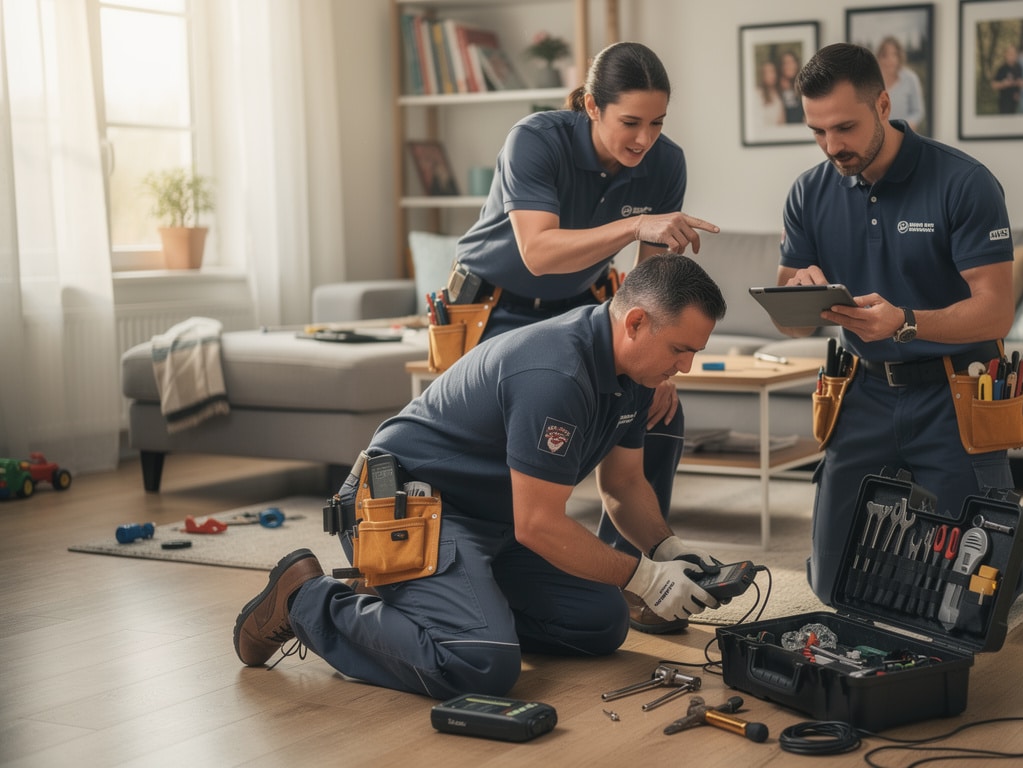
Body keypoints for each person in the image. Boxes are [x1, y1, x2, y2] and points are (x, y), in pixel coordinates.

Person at [233, 254, 736, 699]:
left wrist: (668, 549)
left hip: (494, 522)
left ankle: (435, 609)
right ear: (636, 322)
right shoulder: (556, 375)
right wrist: (644, 577)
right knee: (481, 663)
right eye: (679, 350)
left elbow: (623, 484)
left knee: (601, 624)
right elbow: (537, 524)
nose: (685, 368)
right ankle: (304, 600)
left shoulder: (637, 374)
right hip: (403, 509)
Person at [772, 43, 1023, 607]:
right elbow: (792, 319)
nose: (832, 146)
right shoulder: (808, 191)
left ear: (885, 104)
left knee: (972, 596)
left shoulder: (964, 183)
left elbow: (996, 309)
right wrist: (800, 298)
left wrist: (905, 324)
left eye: (844, 127)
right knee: (833, 586)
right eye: (817, 131)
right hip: (864, 391)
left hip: (957, 390)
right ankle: (925, 552)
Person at [451, 41, 720, 632]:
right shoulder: (535, 139)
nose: (644, 139)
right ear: (592, 107)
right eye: (630, 122)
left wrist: (655, 369)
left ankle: (637, 576)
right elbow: (538, 252)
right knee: (519, 434)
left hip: (580, 304)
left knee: (658, 414)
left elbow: (656, 283)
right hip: (497, 304)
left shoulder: (665, 162)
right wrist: (633, 223)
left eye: (656, 123)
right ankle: (490, 573)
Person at [875, 36, 925, 133]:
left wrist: (907, 127)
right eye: (885, 55)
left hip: (905, 135)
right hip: (880, 136)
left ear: (899, 57)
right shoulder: (872, 81)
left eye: (894, 55)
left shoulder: (911, 79)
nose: (890, 60)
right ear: (879, 58)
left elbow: (918, 111)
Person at [989, 45, 1023, 114]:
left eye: (1014, 53)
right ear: (1005, 55)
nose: (1012, 55)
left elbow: (1022, 83)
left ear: (1016, 55)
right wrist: (1003, 84)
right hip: (1005, 103)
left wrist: (1020, 84)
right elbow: (993, 85)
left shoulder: (1019, 67)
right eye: (1009, 53)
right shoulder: (1002, 69)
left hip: (1017, 105)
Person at [776, 49, 805, 124]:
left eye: (792, 62)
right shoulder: (775, 88)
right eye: (786, 63)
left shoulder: (802, 86)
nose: (789, 66)